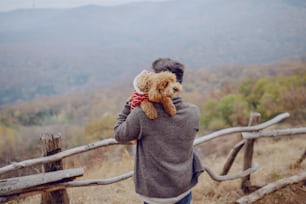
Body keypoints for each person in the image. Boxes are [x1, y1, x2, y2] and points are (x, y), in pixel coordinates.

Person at [114, 58, 204, 204]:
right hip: (184, 188)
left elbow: (119, 134)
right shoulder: (193, 112)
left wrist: (130, 103)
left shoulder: (141, 115)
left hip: (155, 194)